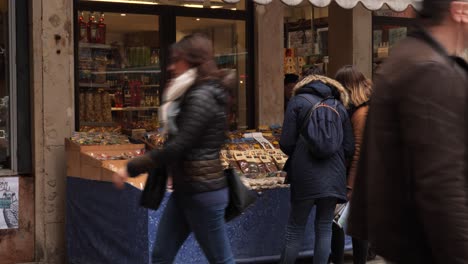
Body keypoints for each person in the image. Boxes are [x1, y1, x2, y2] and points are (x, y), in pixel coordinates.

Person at [347, 0, 468, 263]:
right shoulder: (431, 70)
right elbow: (442, 185)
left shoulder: (409, 56)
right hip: (427, 249)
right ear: (460, 9)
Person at [112, 33, 235, 264]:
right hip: (187, 189)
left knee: (221, 260)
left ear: (191, 61)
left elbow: (179, 145)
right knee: (161, 255)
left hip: (203, 192)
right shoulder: (191, 93)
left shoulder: (201, 96)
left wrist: (132, 167)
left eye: (176, 60)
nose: (170, 66)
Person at [279, 70, 354, 264]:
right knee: (324, 228)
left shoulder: (297, 102)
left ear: (304, 83)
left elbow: (286, 143)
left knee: (295, 228)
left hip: (304, 175)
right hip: (334, 175)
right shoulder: (338, 105)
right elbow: (348, 147)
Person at [331, 65, 373, 264]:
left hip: (356, 179)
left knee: (343, 225)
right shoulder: (359, 109)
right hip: (357, 176)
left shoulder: (361, 113)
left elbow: (359, 152)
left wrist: (350, 185)